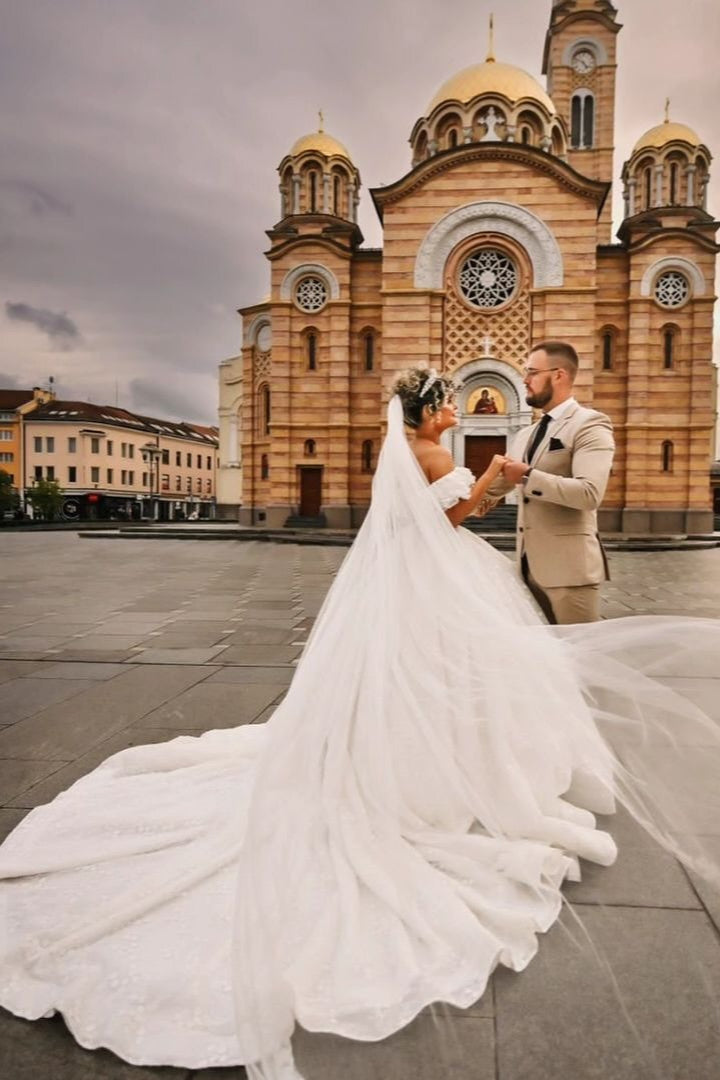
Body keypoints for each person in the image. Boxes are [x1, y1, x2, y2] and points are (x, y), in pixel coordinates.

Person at [0, 368, 718, 1080]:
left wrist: (484, 481)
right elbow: (450, 519)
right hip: (437, 574)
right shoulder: (429, 452)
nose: (453, 410)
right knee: (450, 676)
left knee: (416, 678)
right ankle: (443, 776)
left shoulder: (403, 449)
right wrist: (489, 479)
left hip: (410, 579)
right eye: (446, 403)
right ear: (430, 411)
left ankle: (406, 759)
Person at [495, 341, 614, 625]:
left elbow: (589, 493)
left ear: (559, 375)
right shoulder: (525, 435)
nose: (525, 380)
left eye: (532, 372)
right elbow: (497, 486)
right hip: (527, 570)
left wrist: (528, 476)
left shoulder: (590, 424)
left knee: (582, 650)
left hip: (570, 573)